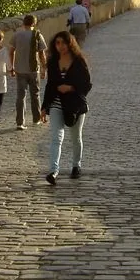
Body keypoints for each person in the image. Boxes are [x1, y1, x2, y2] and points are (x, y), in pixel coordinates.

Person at [40, 31, 92, 185]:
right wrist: (44, 106)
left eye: (63, 43)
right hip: (56, 103)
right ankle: (53, 171)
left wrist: (71, 88)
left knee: (76, 138)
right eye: (57, 43)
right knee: (56, 137)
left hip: (75, 105)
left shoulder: (78, 61)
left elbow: (86, 84)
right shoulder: (52, 61)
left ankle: (76, 165)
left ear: (70, 43)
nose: (60, 46)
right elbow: (50, 85)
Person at [9, 14, 47, 130]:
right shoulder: (37, 35)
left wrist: (12, 67)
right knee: (35, 95)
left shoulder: (17, 35)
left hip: (20, 69)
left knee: (21, 96)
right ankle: (36, 119)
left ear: (23, 23)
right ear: (34, 23)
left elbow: (11, 51)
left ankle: (20, 122)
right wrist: (44, 68)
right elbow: (42, 53)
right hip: (33, 69)